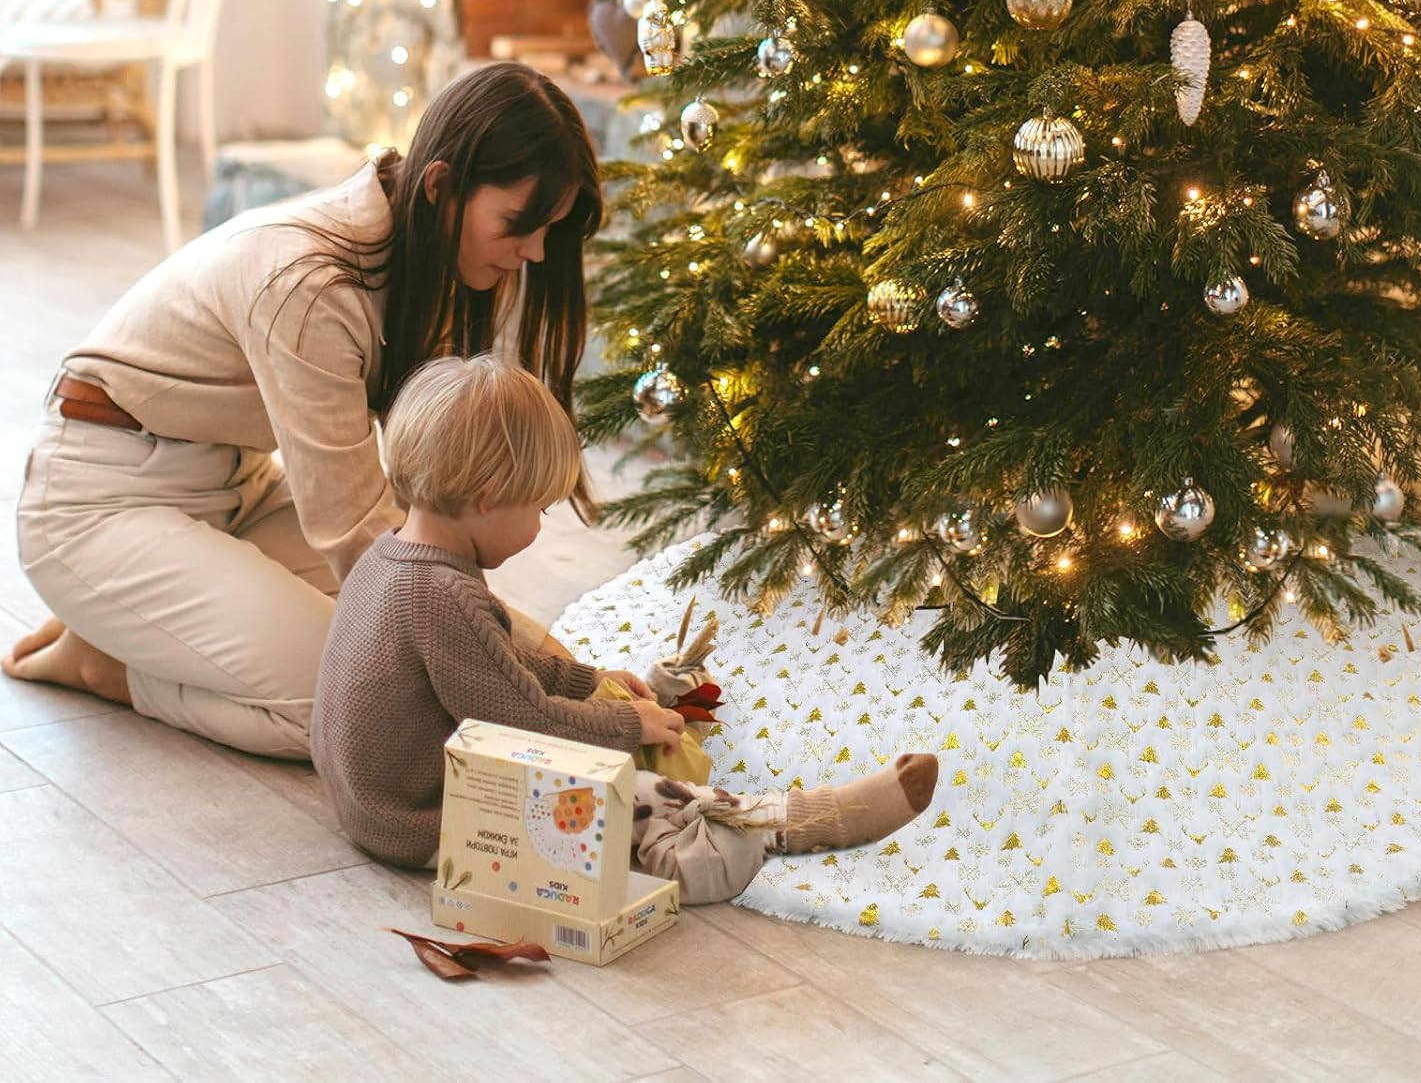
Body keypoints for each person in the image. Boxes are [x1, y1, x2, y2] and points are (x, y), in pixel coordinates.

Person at [4, 63, 601, 759]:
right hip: (97, 501)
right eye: (520, 224)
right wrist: (532, 661)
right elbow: (365, 539)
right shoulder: (311, 287)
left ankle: (138, 625)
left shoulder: (432, 263)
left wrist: (550, 675)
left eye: (547, 231)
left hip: (231, 490)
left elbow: (427, 530)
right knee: (369, 710)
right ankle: (110, 667)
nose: (533, 252)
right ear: (441, 185)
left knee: (418, 659)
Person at [311, 354, 939, 903]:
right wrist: (630, 724)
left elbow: (495, 664)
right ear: (487, 496)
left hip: (371, 806)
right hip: (425, 820)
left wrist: (590, 681)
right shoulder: (442, 593)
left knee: (596, 746)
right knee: (637, 791)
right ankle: (798, 822)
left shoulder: (392, 556)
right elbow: (524, 724)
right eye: (539, 508)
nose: (538, 528)